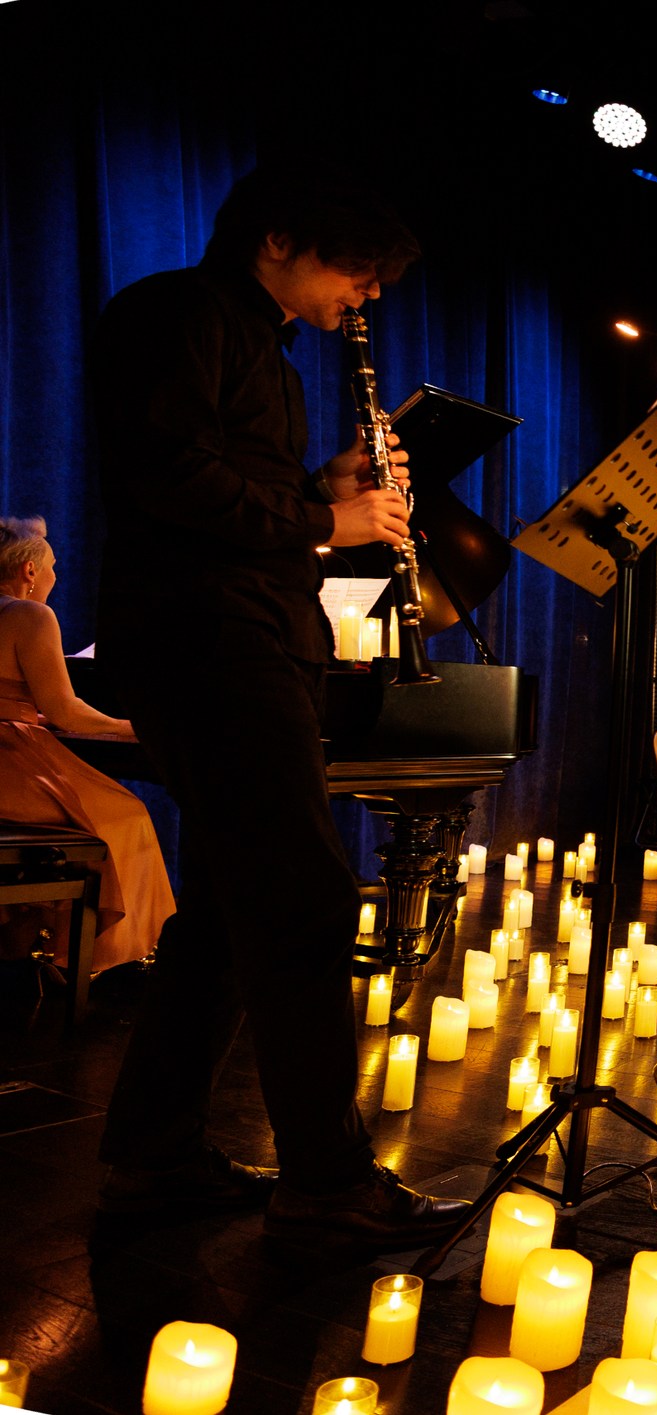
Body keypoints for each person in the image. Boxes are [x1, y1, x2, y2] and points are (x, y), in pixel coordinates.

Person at [86, 163, 467, 1243]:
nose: (371, 292)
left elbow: (236, 492)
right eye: (360, 266)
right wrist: (322, 521)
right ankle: (326, 1183)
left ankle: (153, 1156)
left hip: (250, 638)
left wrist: (326, 490)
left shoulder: (270, 355)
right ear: (278, 239)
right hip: (208, 644)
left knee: (227, 909)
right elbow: (170, 480)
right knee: (302, 899)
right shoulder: (177, 313)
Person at [0, 517, 173, 972]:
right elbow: (66, 713)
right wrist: (133, 727)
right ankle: (111, 957)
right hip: (8, 764)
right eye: (53, 567)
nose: (54, 577)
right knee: (127, 817)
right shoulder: (29, 614)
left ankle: (30, 942)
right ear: (30, 571)